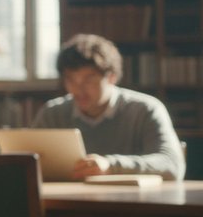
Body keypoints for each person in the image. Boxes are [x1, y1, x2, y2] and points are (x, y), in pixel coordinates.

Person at [33, 34, 185, 181]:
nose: (78, 89)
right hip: (66, 203)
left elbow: (172, 165)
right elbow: (27, 163)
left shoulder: (145, 110)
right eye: (71, 80)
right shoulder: (52, 114)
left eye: (89, 79)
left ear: (111, 77)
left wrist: (111, 166)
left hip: (131, 203)